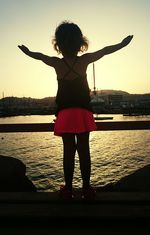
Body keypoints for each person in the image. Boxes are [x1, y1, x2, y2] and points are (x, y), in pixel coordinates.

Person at [18, 21, 133, 199]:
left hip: (65, 113)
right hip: (83, 112)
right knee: (84, 150)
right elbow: (104, 51)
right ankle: (86, 188)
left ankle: (68, 189)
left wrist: (27, 52)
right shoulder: (85, 60)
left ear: (58, 44)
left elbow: (40, 56)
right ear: (81, 43)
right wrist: (122, 44)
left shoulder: (57, 63)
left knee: (68, 151)